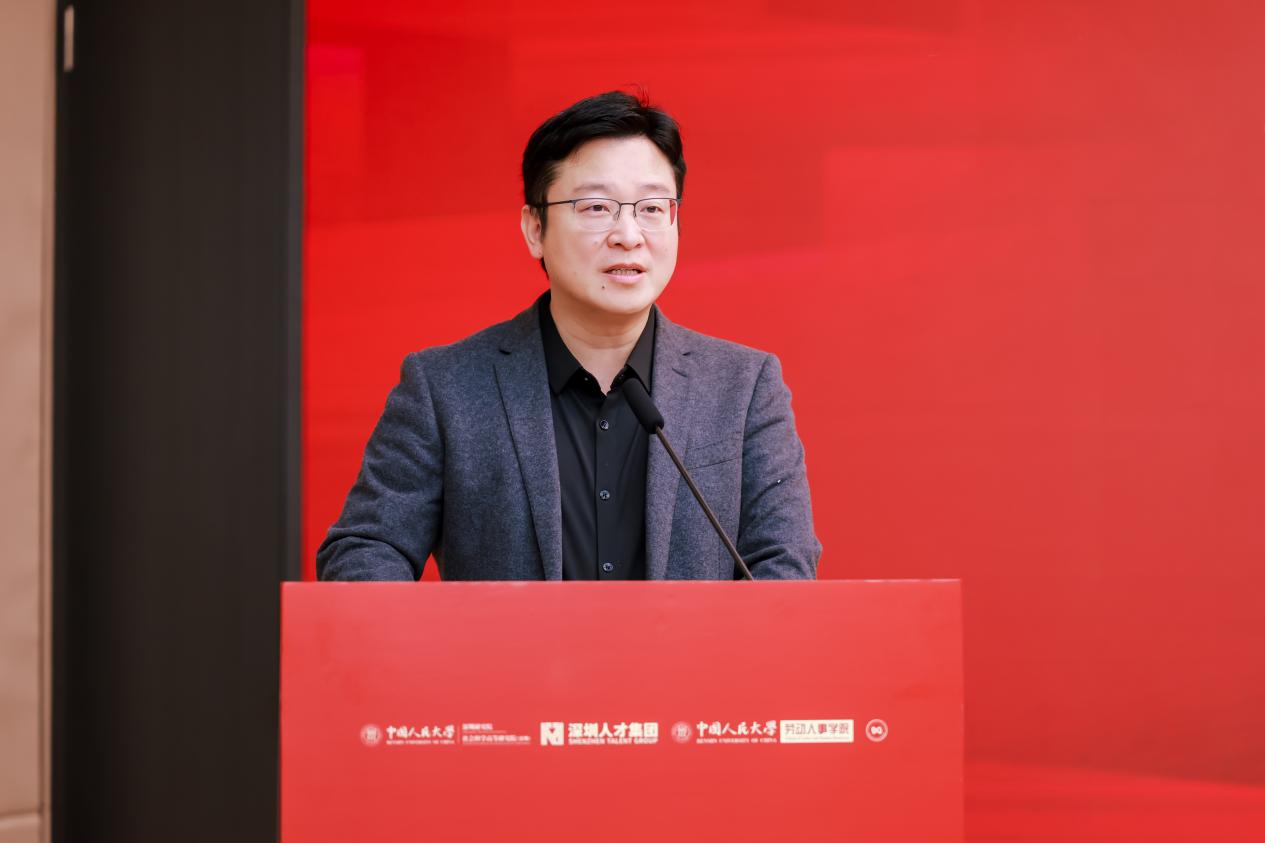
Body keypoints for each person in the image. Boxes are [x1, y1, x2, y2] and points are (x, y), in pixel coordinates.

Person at [316, 91, 820, 581]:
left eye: (651, 208)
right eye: (597, 207)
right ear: (535, 228)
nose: (628, 235)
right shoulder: (445, 388)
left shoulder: (743, 387)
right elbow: (365, 549)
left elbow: (783, 563)